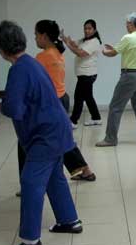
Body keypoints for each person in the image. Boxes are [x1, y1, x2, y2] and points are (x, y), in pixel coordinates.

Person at [0, 21, 82, 245]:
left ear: (1, 50)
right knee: (54, 177)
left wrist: (1, 105)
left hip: (45, 136)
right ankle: (70, 220)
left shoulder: (19, 69)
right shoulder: (30, 64)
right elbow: (26, 94)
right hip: (56, 131)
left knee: (31, 180)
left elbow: (15, 108)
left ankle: (30, 241)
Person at [32, 20, 95, 181]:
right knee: (60, 139)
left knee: (59, 140)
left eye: (36, 35)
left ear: (44, 36)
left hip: (52, 102)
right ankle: (83, 170)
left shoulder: (43, 56)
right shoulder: (57, 52)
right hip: (61, 98)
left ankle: (83, 171)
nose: (35, 38)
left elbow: (34, 83)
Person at [96, 13, 136, 147]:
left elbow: (113, 53)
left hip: (129, 77)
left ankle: (110, 139)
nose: (126, 25)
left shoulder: (127, 37)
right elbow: (128, 50)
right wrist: (114, 48)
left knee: (115, 107)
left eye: (127, 23)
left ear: (131, 24)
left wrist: (104, 52)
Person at [62, 19, 103, 128]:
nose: (87, 30)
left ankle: (73, 121)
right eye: (85, 28)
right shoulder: (84, 40)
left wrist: (69, 45)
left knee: (78, 97)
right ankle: (96, 118)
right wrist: (65, 38)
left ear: (94, 30)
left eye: (89, 28)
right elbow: (73, 44)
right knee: (88, 97)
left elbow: (81, 53)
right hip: (84, 74)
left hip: (88, 75)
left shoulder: (94, 41)